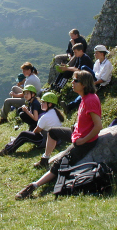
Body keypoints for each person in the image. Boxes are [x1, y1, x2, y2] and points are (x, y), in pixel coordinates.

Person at [15, 70, 102, 200]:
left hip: (84, 142)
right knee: (53, 131)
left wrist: (83, 140)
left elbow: (98, 126)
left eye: (75, 80)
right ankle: (45, 159)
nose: (72, 83)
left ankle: (34, 186)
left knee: (59, 164)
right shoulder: (85, 97)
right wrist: (76, 127)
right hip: (77, 135)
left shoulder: (90, 100)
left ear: (83, 84)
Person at [0, 92, 64, 156]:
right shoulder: (55, 112)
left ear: (50, 105)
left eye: (43, 102)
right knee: (27, 134)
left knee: (24, 134)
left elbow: (37, 130)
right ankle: (13, 143)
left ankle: (7, 150)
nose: (41, 104)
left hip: (47, 141)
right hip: (57, 140)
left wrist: (30, 135)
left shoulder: (45, 117)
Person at [60, 45, 113, 114]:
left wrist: (93, 83)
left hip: (100, 83)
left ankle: (69, 106)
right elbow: (94, 72)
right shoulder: (97, 62)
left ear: (102, 54)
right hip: (95, 79)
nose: (95, 54)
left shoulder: (107, 64)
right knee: (84, 87)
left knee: (84, 69)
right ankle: (69, 106)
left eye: (96, 53)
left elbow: (103, 79)